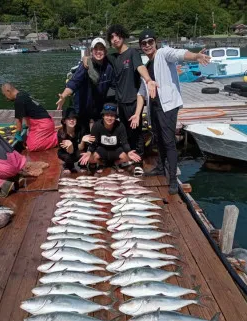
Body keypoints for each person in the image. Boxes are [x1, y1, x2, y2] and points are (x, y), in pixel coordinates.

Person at [130, 29, 210, 194]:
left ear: (156, 42)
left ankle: (172, 179)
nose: (147, 45)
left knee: (168, 141)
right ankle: (160, 167)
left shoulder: (163, 53)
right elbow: (141, 92)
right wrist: (137, 113)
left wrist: (195, 56)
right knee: (158, 139)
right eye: (143, 43)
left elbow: (179, 53)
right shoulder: (146, 65)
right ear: (140, 46)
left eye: (150, 42)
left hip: (168, 105)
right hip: (154, 107)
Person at [104, 24, 158, 175]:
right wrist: (85, 59)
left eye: (117, 36)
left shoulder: (132, 53)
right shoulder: (114, 57)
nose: (115, 40)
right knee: (126, 132)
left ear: (122, 36)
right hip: (120, 103)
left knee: (137, 132)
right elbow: (98, 55)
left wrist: (148, 80)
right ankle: (130, 157)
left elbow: (140, 67)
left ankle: (139, 160)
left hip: (133, 101)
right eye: (112, 38)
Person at [56, 38, 115, 130]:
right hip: (82, 106)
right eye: (96, 49)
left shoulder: (109, 68)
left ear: (105, 51)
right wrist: (64, 95)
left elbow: (113, 86)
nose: (98, 52)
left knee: (98, 133)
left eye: (101, 49)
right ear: (91, 51)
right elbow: (74, 82)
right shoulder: (85, 65)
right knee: (82, 132)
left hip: (99, 107)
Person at [79, 103, 141, 173]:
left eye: (112, 116)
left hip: (116, 149)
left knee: (129, 157)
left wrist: (129, 151)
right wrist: (89, 152)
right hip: (102, 149)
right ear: (103, 116)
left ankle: (116, 163)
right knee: (89, 158)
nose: (109, 118)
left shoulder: (120, 126)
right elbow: (93, 142)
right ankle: (102, 164)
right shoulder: (96, 125)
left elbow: (124, 142)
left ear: (115, 117)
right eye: (107, 115)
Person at [1, 83, 58, 152]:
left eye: (5, 95)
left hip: (43, 124)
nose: (6, 98)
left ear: (8, 91)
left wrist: (18, 133)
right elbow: (30, 111)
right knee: (27, 142)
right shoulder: (23, 93)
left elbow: (19, 120)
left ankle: (59, 137)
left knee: (33, 146)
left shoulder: (18, 100)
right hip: (44, 122)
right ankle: (49, 135)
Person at [57, 107, 94, 174]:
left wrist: (82, 141)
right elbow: (70, 152)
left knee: (83, 152)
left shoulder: (81, 129)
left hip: (77, 150)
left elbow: (80, 148)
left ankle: (82, 165)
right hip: (66, 152)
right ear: (64, 121)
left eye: (73, 118)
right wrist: (70, 145)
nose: (71, 120)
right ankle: (69, 166)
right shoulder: (61, 133)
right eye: (69, 119)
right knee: (67, 157)